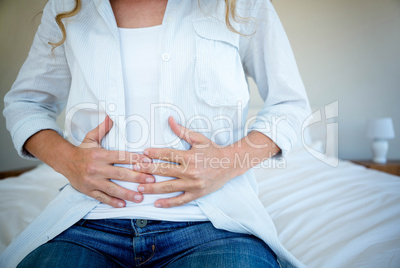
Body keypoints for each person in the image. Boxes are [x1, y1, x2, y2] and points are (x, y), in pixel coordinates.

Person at [1, 0, 310, 267]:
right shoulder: (67, 7)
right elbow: (25, 104)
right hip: (87, 221)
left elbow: (289, 105)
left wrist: (226, 162)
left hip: (216, 224)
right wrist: (71, 160)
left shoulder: (241, 4)